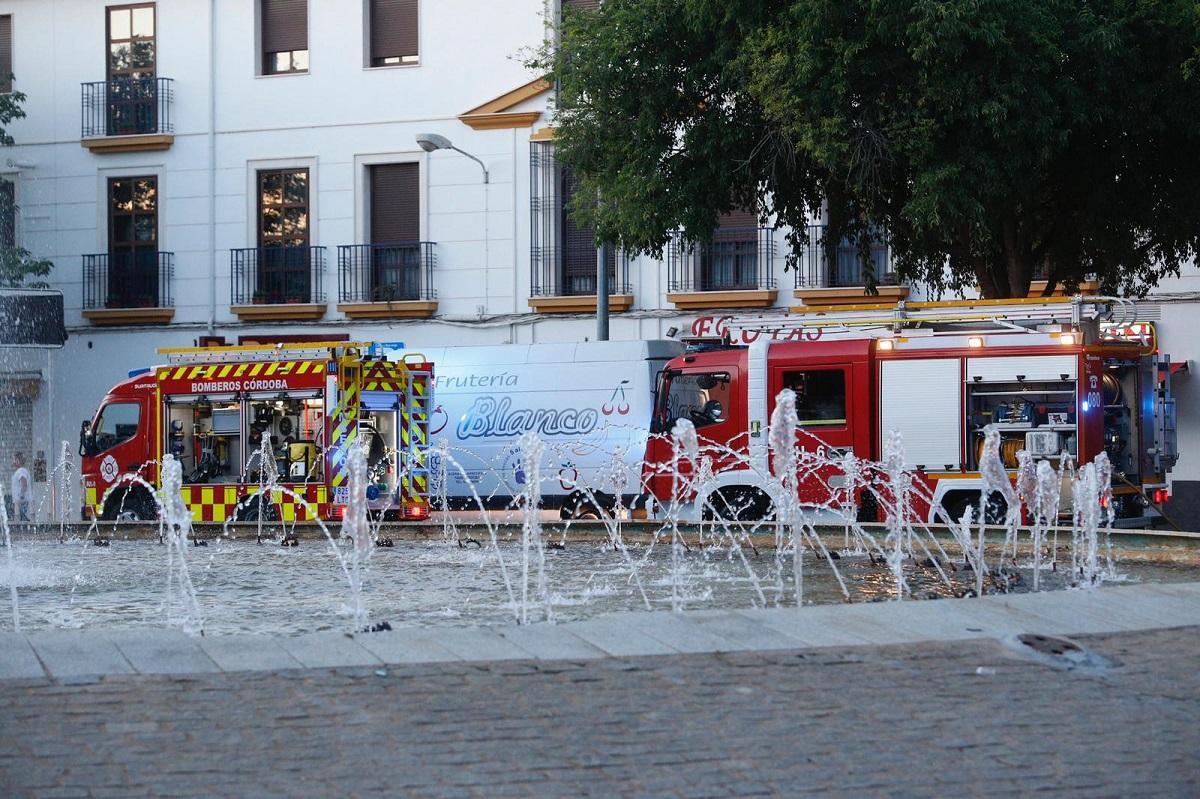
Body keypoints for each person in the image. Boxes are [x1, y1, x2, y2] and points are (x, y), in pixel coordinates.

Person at [10, 452, 31, 522]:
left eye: (13, 459)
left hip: (20, 503)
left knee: (19, 522)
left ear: (17, 460)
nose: (12, 461)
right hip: (20, 502)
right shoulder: (21, 471)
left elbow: (24, 485)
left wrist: (21, 497)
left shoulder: (21, 471)